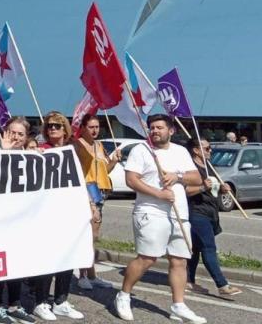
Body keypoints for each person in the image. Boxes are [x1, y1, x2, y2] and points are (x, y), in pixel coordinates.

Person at [114, 114, 205, 323]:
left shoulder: (180, 151)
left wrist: (177, 176)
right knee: (147, 258)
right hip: (151, 211)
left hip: (179, 213)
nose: (155, 131)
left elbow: (196, 177)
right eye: (152, 128)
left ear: (171, 130)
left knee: (179, 260)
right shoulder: (141, 150)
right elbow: (131, 180)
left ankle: (178, 305)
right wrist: (158, 194)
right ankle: (124, 295)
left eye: (159, 127)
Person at [31, 112, 84, 320]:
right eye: (49, 126)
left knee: (67, 257)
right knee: (48, 258)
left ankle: (61, 300)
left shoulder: (72, 150)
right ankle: (41, 301)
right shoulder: (40, 150)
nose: (52, 128)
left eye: (57, 125)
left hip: (68, 211)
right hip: (45, 212)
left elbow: (80, 180)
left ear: (65, 129)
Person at [0, 116, 37, 324]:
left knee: (18, 264)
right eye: (12, 132)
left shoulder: (32, 157)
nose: (15, 136)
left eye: (20, 134)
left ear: (26, 137)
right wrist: (4, 152)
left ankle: (15, 305)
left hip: (21, 220)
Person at [184, 138, 241, 297]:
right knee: (208, 247)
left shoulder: (208, 165)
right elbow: (185, 190)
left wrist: (222, 189)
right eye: (207, 148)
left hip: (211, 212)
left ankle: (188, 281)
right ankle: (222, 284)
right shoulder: (190, 168)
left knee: (195, 249)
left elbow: (213, 188)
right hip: (197, 212)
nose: (211, 151)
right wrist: (202, 187)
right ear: (196, 150)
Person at [72, 113, 121, 291]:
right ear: (83, 128)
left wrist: (114, 161)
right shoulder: (77, 145)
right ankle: (83, 275)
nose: (94, 130)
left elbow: (104, 169)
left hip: (99, 192)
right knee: (87, 235)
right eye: (91, 127)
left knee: (94, 236)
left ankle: (91, 274)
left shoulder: (99, 145)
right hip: (85, 191)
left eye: (97, 127)